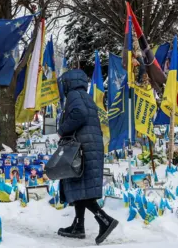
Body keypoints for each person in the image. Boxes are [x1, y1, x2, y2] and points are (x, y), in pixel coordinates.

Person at [57, 69, 118, 244]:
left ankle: (104, 220)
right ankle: (78, 226)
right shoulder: (84, 95)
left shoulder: (74, 95)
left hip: (81, 148)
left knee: (80, 187)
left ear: (68, 82)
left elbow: (79, 114)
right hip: (89, 146)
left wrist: (62, 130)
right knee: (79, 186)